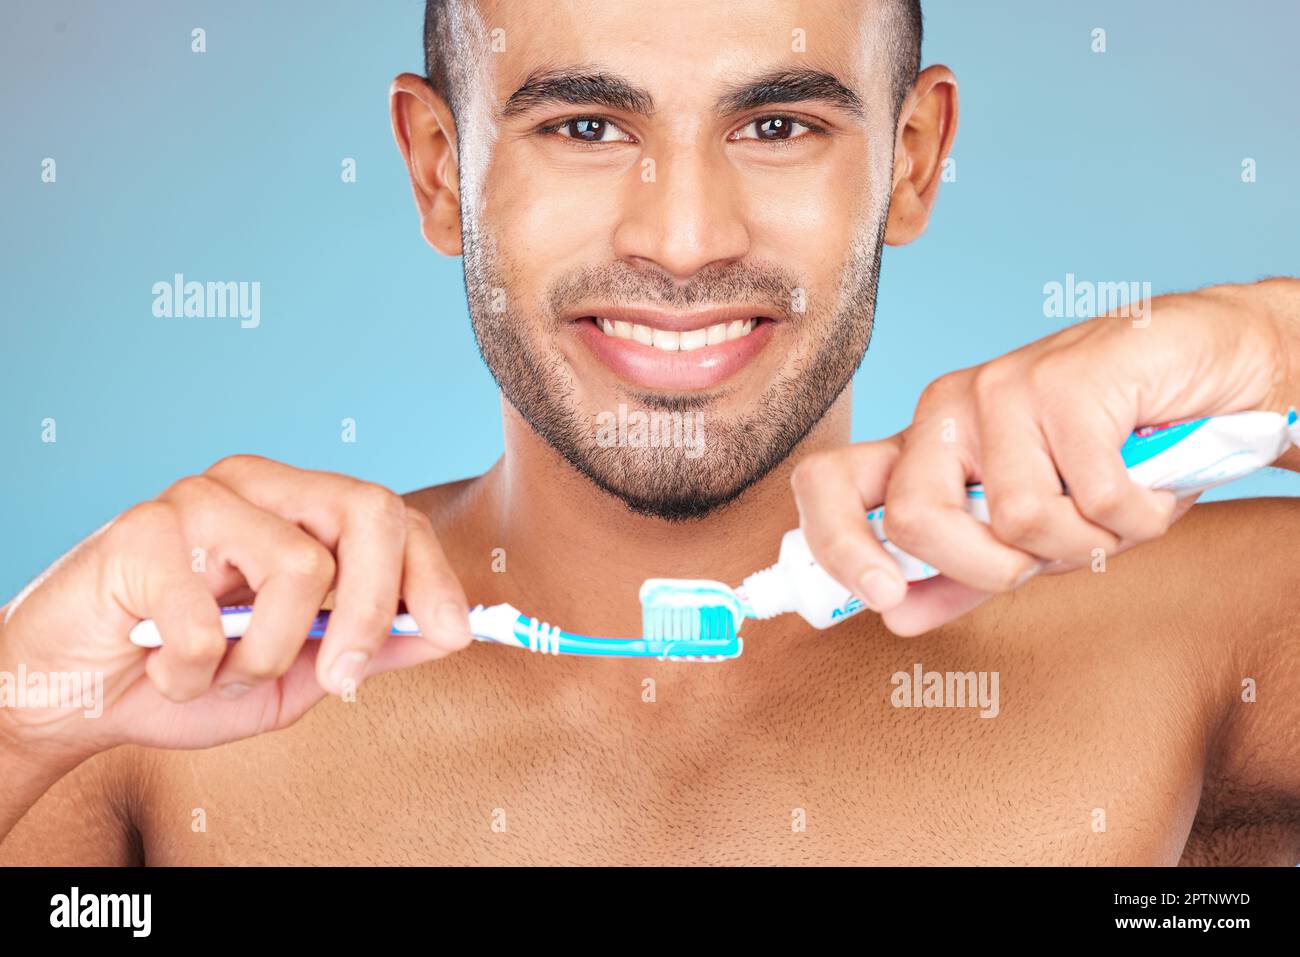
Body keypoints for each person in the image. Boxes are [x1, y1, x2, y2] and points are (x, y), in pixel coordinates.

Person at [2, 0, 1297, 865]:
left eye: (778, 124)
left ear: (912, 159)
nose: (682, 237)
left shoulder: (1199, 627)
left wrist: (1267, 343)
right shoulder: (157, 705)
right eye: (584, 125)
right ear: (439, 168)